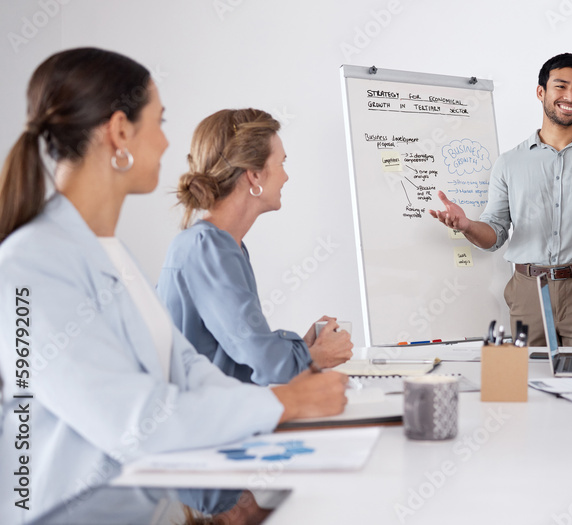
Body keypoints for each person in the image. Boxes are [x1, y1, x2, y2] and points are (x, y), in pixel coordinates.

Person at [0, 48, 348, 520]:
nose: (168, 144)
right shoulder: (29, 265)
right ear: (121, 131)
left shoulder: (110, 254)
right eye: (159, 122)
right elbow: (138, 422)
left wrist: (284, 399)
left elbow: (188, 371)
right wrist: (282, 401)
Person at [430, 53, 572, 347]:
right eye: (560, 86)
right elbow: (494, 234)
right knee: (527, 382)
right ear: (541, 92)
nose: (570, 96)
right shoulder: (510, 162)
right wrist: (467, 225)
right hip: (527, 293)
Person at [156, 109, 352, 385]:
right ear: (254, 175)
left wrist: (304, 350)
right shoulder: (207, 249)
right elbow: (267, 364)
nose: (286, 177)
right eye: (282, 163)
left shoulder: (227, 246)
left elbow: (243, 359)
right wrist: (315, 357)